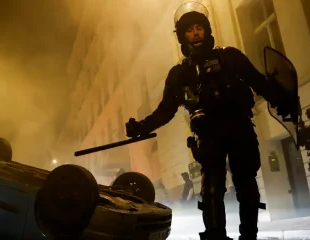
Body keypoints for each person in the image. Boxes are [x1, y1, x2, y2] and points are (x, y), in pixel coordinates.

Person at [125, 2, 297, 240]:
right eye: (189, 30)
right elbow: (166, 110)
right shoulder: (180, 73)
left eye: (199, 28)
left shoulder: (230, 56)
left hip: (240, 128)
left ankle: (249, 236)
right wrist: (141, 126)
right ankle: (216, 236)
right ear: (182, 36)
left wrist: (282, 99)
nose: (195, 34)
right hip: (209, 135)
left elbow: (258, 81)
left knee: (247, 186)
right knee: (212, 190)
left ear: (206, 30)